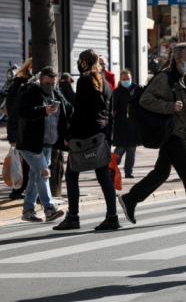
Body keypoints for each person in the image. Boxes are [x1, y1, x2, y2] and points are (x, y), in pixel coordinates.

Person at [118, 43, 186, 225]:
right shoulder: (165, 77)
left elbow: (183, 105)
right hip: (170, 133)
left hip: (177, 132)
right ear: (177, 59)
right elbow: (146, 100)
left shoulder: (182, 77)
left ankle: (130, 199)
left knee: (161, 172)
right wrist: (169, 107)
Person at [54, 51, 120, 231]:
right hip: (100, 135)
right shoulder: (105, 83)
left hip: (83, 135)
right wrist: (108, 139)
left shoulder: (84, 81)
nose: (78, 64)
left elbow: (79, 112)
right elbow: (109, 114)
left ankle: (73, 218)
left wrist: (69, 135)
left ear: (84, 63)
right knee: (104, 177)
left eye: (79, 61)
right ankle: (112, 217)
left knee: (71, 175)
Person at [16, 67, 69, 223]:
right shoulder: (30, 92)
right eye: (47, 83)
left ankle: (28, 210)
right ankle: (49, 208)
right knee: (44, 173)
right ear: (40, 80)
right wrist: (43, 111)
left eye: (53, 83)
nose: (50, 86)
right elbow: (23, 112)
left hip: (47, 144)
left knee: (35, 176)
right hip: (31, 144)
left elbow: (68, 111)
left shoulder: (57, 94)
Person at [6, 58, 34, 200]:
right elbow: (11, 103)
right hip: (21, 126)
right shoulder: (21, 83)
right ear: (28, 67)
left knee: (27, 162)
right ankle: (18, 189)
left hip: (27, 127)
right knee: (23, 162)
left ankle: (22, 189)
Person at [112, 70, 140, 179]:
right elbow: (113, 108)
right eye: (124, 79)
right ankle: (112, 167)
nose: (126, 81)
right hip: (121, 124)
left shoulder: (136, 90)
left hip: (133, 125)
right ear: (120, 80)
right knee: (120, 148)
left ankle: (128, 171)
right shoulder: (117, 92)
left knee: (131, 149)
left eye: (128, 79)